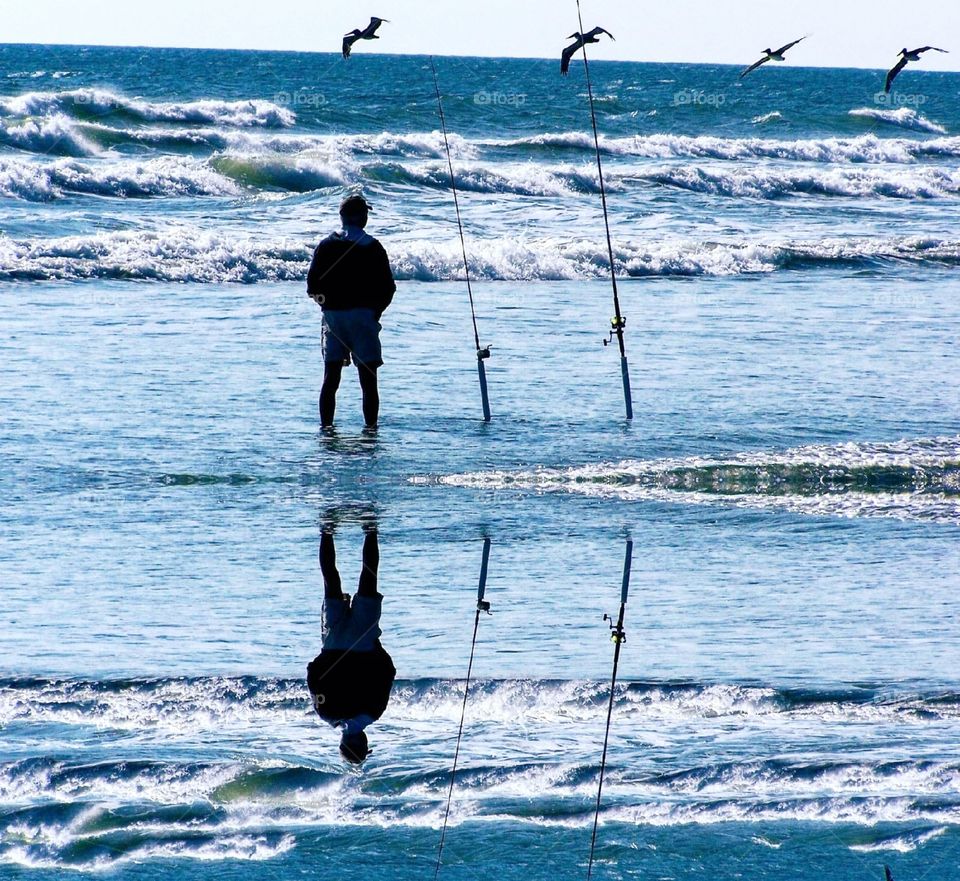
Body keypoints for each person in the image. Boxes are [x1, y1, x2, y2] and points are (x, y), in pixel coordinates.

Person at [307, 516, 396, 764]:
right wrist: (328, 653)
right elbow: (314, 675)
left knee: (369, 577)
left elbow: (387, 671)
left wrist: (375, 647)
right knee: (330, 580)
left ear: (364, 741)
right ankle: (326, 530)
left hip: (365, 641)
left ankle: (370, 529)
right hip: (333, 642)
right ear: (343, 742)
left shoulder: (374, 710)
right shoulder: (325, 712)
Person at [307, 195, 396, 430]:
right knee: (368, 381)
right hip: (363, 316)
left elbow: (312, 287)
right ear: (361, 217)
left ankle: (326, 428)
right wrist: (375, 312)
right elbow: (388, 288)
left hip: (334, 317)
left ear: (342, 216)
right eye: (365, 213)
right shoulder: (373, 247)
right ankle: (371, 429)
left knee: (331, 378)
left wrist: (326, 307)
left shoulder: (326, 245)